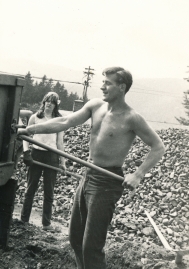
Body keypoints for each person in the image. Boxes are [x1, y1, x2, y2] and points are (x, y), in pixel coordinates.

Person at [18, 67, 165, 268]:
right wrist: (30, 129)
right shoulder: (96, 106)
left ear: (122, 87)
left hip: (107, 181)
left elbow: (158, 147)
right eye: (103, 82)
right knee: (75, 239)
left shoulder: (132, 118)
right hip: (88, 174)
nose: (102, 86)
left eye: (108, 83)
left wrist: (138, 174)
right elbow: (65, 121)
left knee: (91, 247)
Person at [20, 92, 66, 231]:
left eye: (52, 102)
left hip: (52, 156)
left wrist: (62, 162)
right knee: (30, 188)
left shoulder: (59, 120)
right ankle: (24, 220)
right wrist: (26, 152)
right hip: (36, 154)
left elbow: (60, 143)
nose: (49, 104)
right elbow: (25, 136)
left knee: (49, 191)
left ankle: (46, 224)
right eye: (47, 101)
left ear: (56, 105)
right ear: (43, 102)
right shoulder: (35, 117)